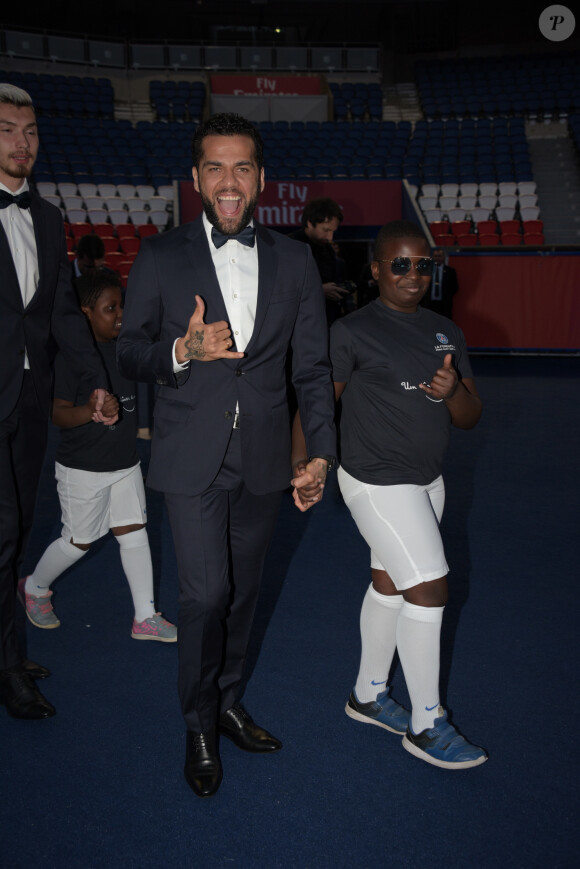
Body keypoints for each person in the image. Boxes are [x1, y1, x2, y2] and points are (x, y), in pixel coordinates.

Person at [117, 113, 336, 797]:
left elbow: (312, 369)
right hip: (190, 454)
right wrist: (185, 350)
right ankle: (199, 723)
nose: (230, 180)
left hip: (266, 456)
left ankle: (229, 698)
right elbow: (130, 352)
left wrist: (320, 454)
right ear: (195, 178)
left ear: (262, 177)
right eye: (215, 166)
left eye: (242, 166)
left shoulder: (297, 259)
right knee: (204, 592)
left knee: (243, 594)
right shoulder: (159, 256)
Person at [293, 220, 487, 770]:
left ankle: (368, 695)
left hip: (429, 481)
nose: (412, 274)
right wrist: (305, 464)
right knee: (430, 586)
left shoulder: (446, 332)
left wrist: (453, 394)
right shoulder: (351, 331)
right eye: (399, 264)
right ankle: (427, 723)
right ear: (376, 269)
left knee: (390, 586)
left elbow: (471, 417)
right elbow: (315, 403)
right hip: (376, 481)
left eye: (422, 265)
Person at [0, 83, 115, 721]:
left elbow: (64, 316)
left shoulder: (47, 217)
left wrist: (94, 377)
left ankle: (5, 649)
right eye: (7, 129)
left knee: (13, 535)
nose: (22, 142)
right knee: (2, 530)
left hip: (28, 402)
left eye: (31, 130)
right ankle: (10, 667)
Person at [19, 271, 177, 643]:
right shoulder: (71, 359)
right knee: (78, 541)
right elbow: (57, 413)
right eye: (110, 308)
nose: (120, 314)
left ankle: (144, 617)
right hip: (83, 469)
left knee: (134, 533)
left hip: (125, 463)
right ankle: (35, 588)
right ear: (85, 312)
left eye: (121, 305)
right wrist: (89, 410)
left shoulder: (125, 349)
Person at [289, 197, 351, 324]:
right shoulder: (289, 246)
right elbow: (282, 288)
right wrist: (319, 290)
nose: (330, 237)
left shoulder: (327, 249)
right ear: (310, 223)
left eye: (333, 231)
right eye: (326, 230)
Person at [420, 247, 458, 319]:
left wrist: (447, 296)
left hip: (444, 305)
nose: (437, 258)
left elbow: (455, 287)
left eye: (439, 256)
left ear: (444, 257)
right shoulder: (426, 271)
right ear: (432, 257)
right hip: (428, 304)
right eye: (435, 256)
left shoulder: (450, 271)